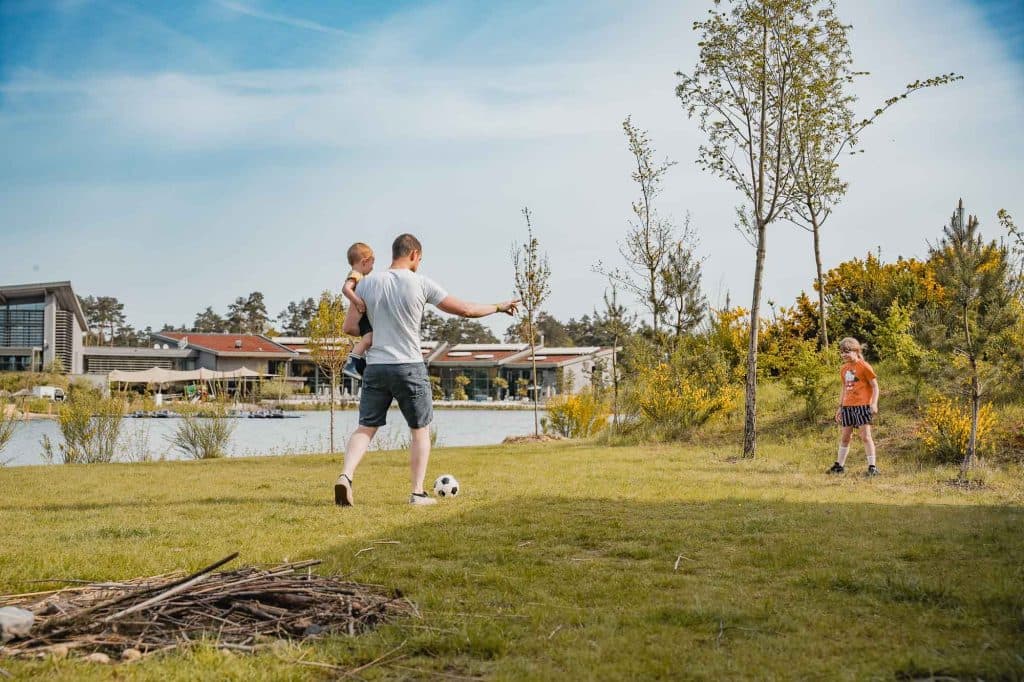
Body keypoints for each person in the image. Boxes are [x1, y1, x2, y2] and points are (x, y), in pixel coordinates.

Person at [333, 233, 519, 506]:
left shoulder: (367, 283)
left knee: (366, 426)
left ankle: (346, 476)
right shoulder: (420, 283)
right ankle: (417, 492)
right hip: (408, 365)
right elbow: (465, 310)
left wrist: (376, 329)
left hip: (376, 367)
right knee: (420, 429)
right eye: (420, 259)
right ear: (414, 255)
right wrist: (498, 307)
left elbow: (349, 327)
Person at [828, 337, 880, 476]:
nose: (844, 354)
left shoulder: (864, 366)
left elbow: (875, 386)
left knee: (865, 436)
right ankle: (839, 466)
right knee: (845, 437)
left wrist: (873, 403)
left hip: (862, 406)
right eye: (842, 352)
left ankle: (872, 467)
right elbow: (844, 388)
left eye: (847, 351)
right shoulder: (844, 369)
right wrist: (840, 407)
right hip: (847, 407)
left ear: (856, 351)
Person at [340, 242, 375, 380]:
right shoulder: (356, 274)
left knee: (370, 339)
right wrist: (358, 301)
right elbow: (346, 289)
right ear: (364, 261)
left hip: (362, 316)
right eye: (372, 263)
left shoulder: (361, 276)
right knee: (369, 338)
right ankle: (351, 364)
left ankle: (362, 363)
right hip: (360, 317)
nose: (372, 268)